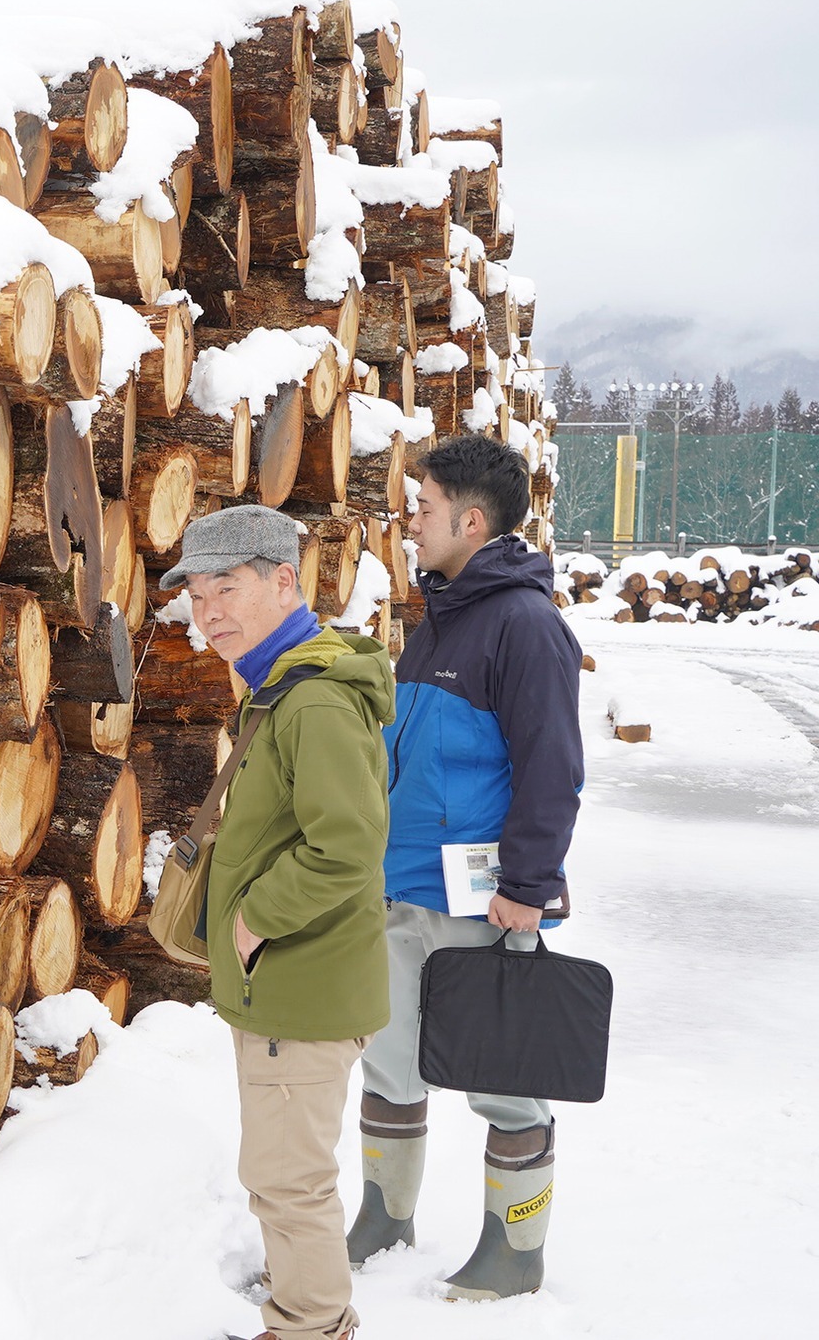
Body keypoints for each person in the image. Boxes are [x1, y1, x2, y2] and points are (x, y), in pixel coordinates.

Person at [345, 435, 584, 1301]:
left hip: (483, 905)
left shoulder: (526, 626)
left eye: (423, 508)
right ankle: (383, 1217)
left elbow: (554, 765)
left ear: (470, 520)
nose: (409, 523)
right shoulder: (439, 616)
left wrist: (526, 886)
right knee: (390, 1060)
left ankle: (516, 1252)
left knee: (501, 1075)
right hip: (400, 887)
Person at [161, 504, 394, 1340]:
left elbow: (350, 845)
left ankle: (308, 1326)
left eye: (228, 586)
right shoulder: (279, 687)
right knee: (281, 1172)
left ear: (285, 579)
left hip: (300, 984)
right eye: (196, 592)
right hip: (290, 985)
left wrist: (258, 913)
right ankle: (305, 1315)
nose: (209, 610)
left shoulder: (314, 701)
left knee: (290, 1179)